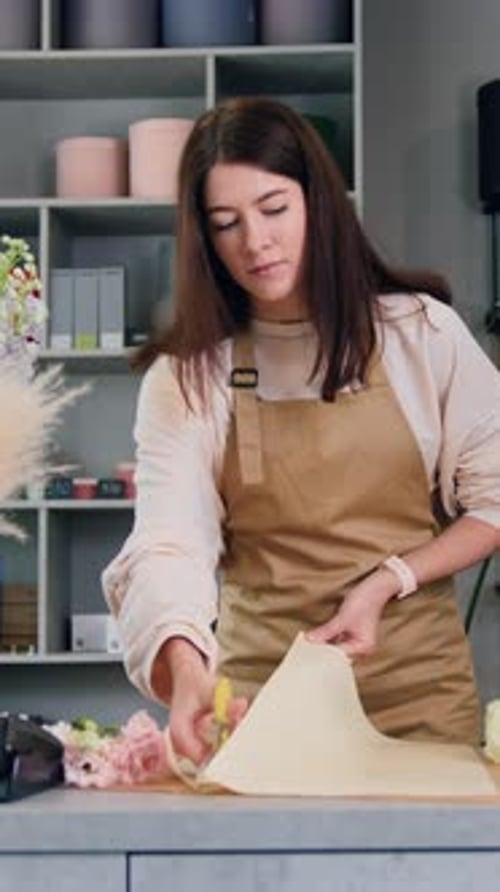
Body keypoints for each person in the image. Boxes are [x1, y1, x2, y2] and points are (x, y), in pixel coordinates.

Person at [102, 96, 500, 766]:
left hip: (418, 700)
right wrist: (187, 668)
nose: (254, 242)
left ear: (319, 200)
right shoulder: (190, 376)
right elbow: (169, 543)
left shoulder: (420, 333)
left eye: (274, 208)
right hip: (261, 706)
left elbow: (494, 498)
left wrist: (389, 579)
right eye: (226, 223)